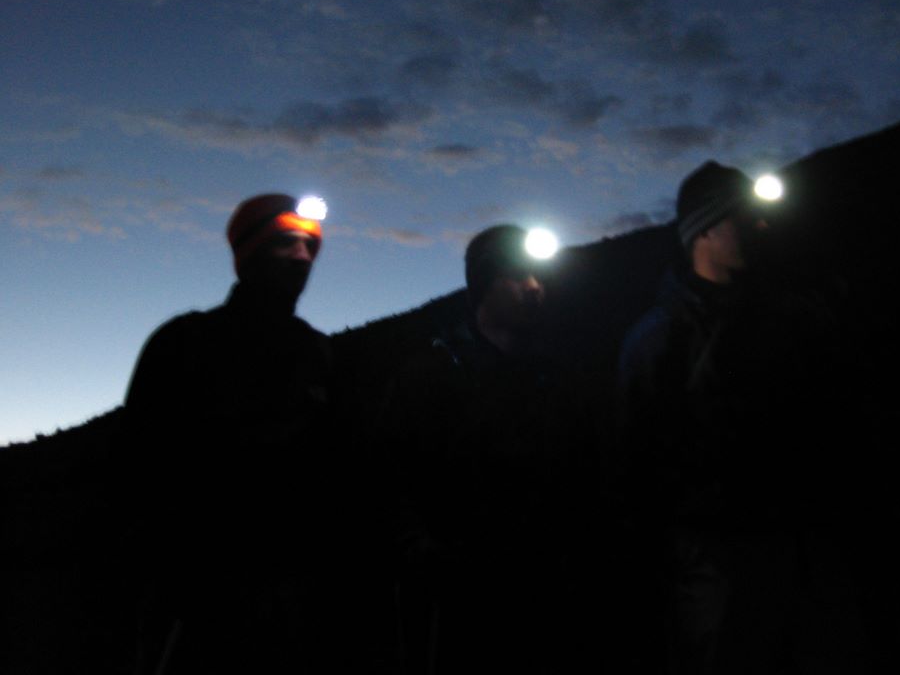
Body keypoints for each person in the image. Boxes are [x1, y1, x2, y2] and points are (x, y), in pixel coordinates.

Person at [617, 162, 863, 674]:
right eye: (743, 218)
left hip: (800, 549)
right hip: (713, 565)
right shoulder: (659, 340)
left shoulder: (792, 316)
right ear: (704, 230)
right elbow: (636, 461)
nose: (761, 226)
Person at [122, 193, 340, 675]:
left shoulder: (318, 354)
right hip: (197, 599)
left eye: (310, 246)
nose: (302, 257)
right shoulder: (185, 343)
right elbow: (137, 467)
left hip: (295, 597)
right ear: (250, 253)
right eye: (285, 243)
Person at [381, 225, 600, 675]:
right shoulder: (433, 376)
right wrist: (425, 557)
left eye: (539, 276)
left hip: (545, 593)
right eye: (516, 276)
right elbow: (388, 479)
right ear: (483, 286)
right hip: (459, 603)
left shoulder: (558, 378)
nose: (534, 287)